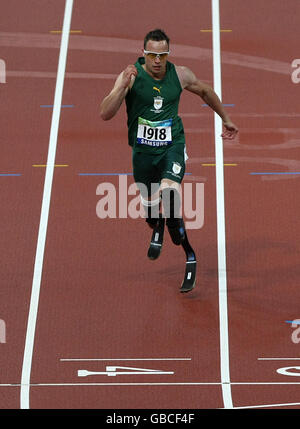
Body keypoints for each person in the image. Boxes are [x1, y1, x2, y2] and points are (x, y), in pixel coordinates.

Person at [100, 28, 238, 251]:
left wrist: (226, 117)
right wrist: (123, 87)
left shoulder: (180, 74)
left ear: (168, 54)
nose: (157, 60)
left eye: (162, 55)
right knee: (152, 215)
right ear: (143, 53)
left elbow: (205, 91)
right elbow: (105, 113)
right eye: (152, 55)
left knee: (169, 189)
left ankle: (174, 224)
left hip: (172, 146)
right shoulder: (130, 76)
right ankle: (162, 221)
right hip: (142, 153)